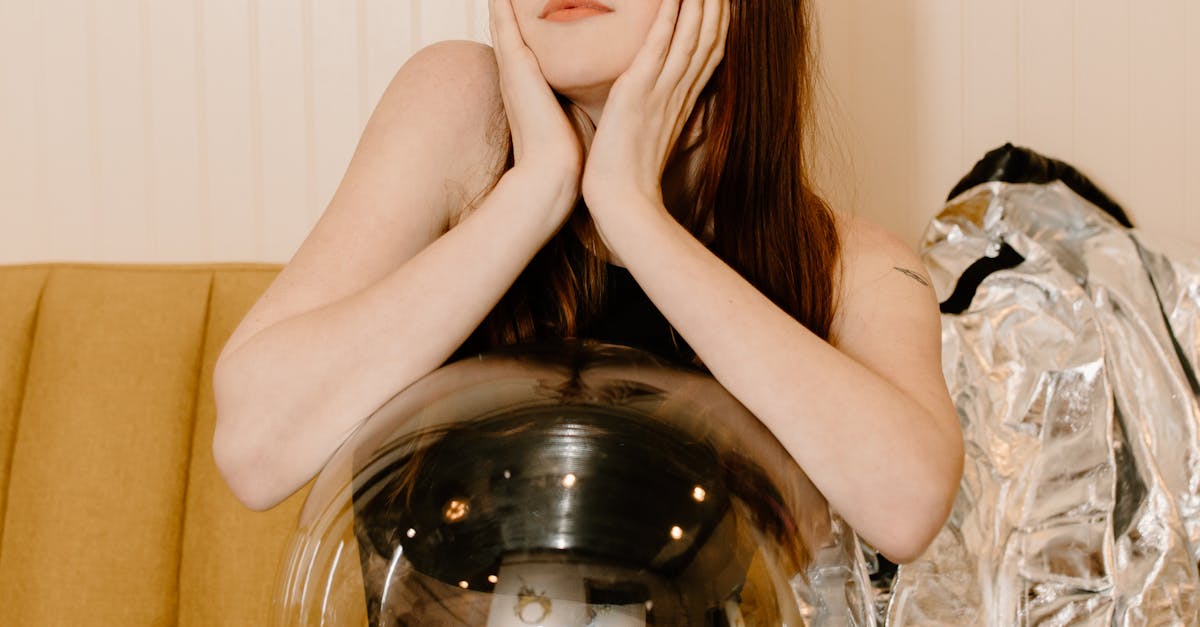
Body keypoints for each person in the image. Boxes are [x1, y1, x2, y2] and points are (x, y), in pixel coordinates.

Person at [211, 0, 964, 570]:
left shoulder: (849, 263)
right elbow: (254, 447)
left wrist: (636, 217)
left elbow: (907, 505)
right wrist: (536, 190)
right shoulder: (460, 110)